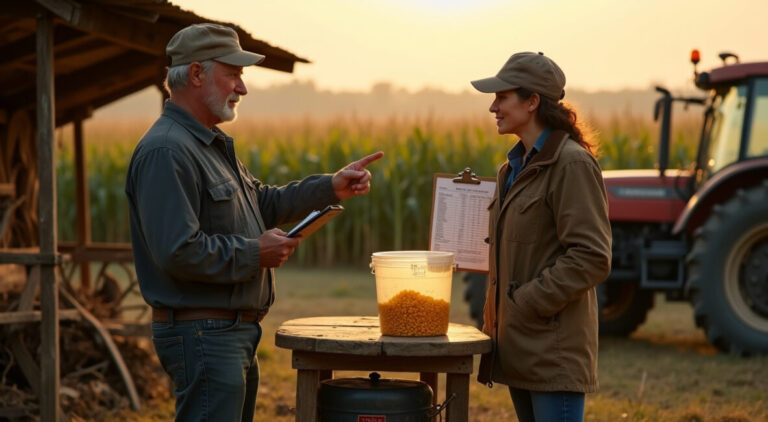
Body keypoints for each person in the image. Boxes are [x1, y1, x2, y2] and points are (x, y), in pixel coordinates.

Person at [124, 23, 383, 422]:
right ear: (197, 74)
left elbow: (262, 203)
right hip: (204, 335)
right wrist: (254, 253)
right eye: (233, 74)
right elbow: (177, 251)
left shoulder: (207, 144)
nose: (242, 88)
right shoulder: (167, 150)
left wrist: (329, 187)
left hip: (228, 334)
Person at [470, 52, 612, 422]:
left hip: (552, 352)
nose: (493, 107)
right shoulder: (512, 169)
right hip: (520, 348)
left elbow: (591, 257)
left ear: (532, 101)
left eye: (502, 97)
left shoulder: (572, 164)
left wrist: (526, 302)